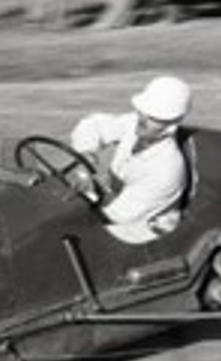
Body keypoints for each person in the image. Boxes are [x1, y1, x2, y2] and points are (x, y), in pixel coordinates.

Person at [69, 75, 192, 244]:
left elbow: (117, 216)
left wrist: (83, 203)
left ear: (172, 124)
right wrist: (86, 154)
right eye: (142, 111)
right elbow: (93, 125)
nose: (142, 119)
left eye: (154, 117)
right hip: (110, 202)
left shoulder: (166, 170)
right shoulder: (136, 124)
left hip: (135, 233)